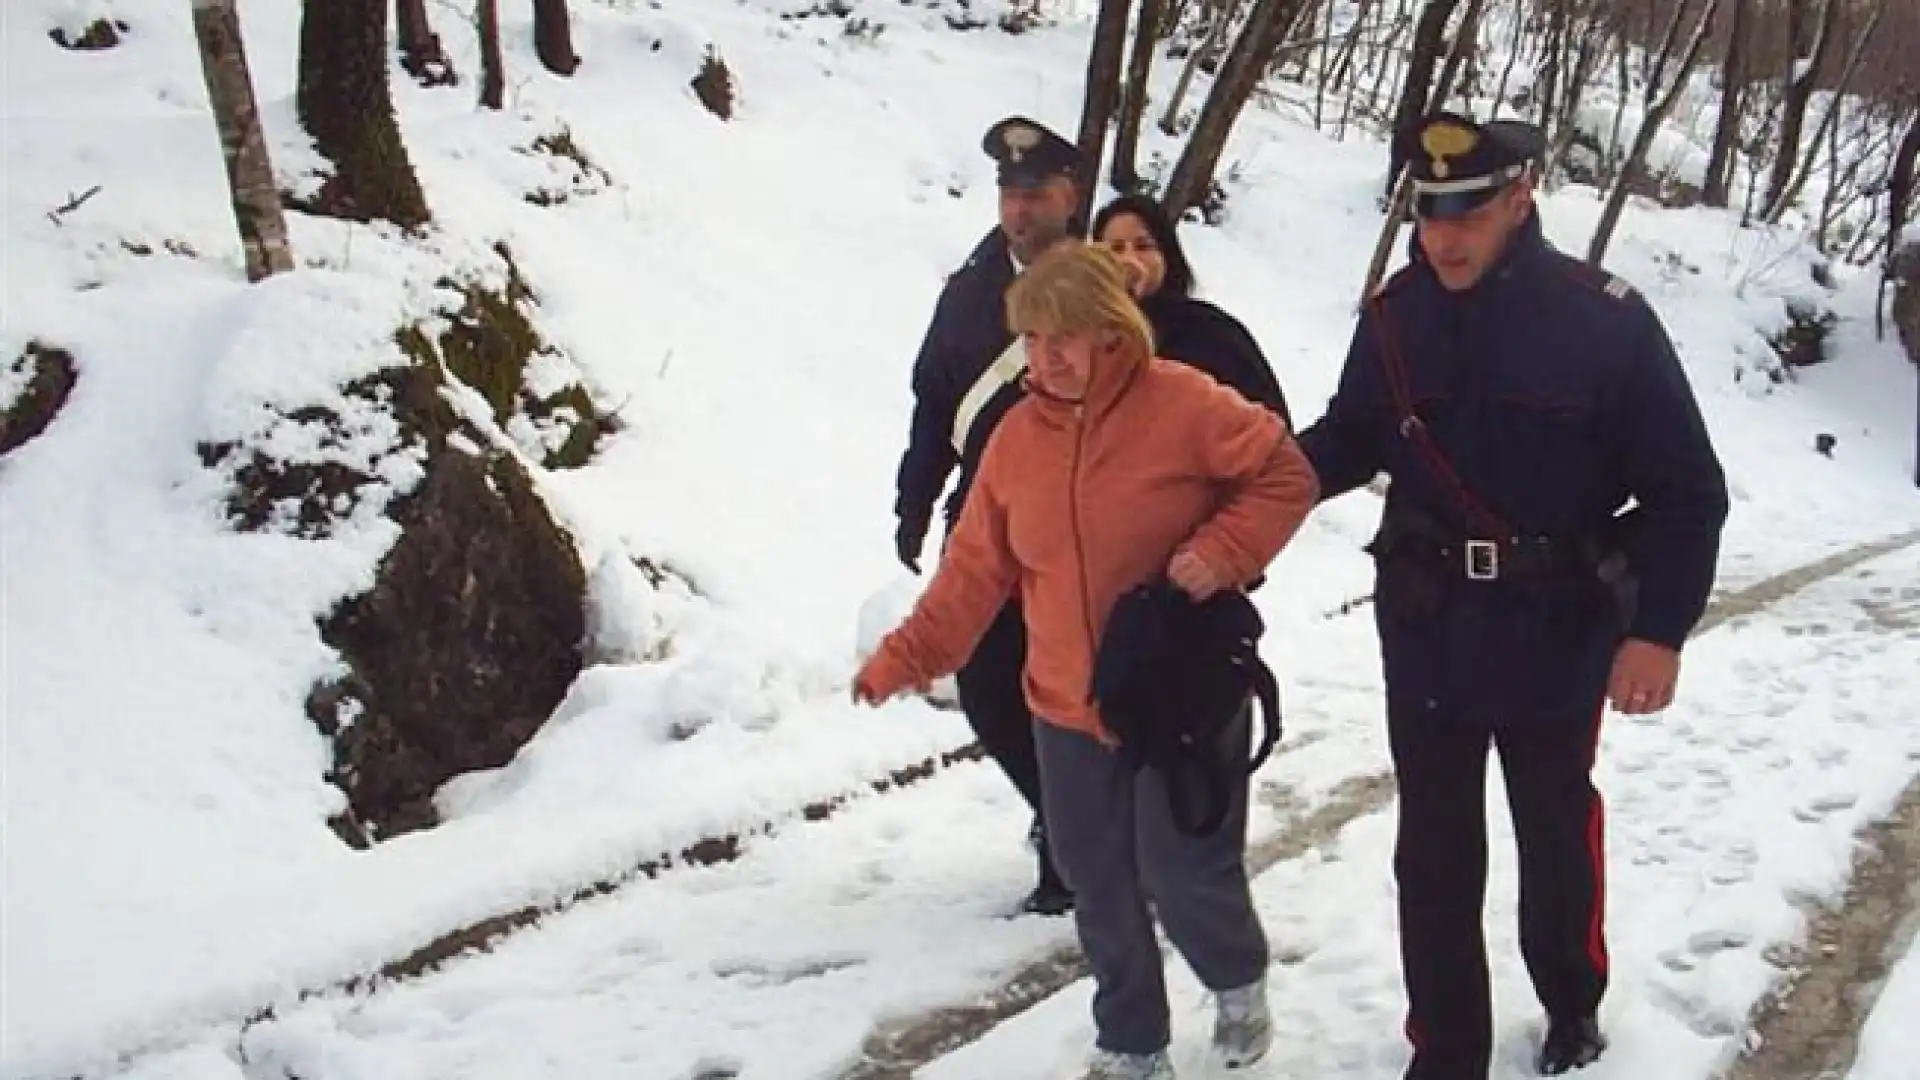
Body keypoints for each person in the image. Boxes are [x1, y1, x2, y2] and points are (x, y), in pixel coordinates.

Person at [1293, 111, 1730, 1079]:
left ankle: (1572, 1003)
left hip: (1557, 629)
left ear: (1520, 199)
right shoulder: (1396, 317)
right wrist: (1256, 481)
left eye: (1469, 213)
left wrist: (1658, 632)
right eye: (1429, 214)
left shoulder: (1603, 322)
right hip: (1429, 626)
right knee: (1435, 853)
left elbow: (1688, 492)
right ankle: (1446, 1052)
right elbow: (1351, 437)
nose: (1444, 237)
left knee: (1553, 836)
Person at [856, 243, 1321, 1080]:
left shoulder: (1182, 402)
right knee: (1096, 881)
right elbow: (973, 573)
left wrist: (1222, 551)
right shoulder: (1013, 442)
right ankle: (1132, 1043)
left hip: (1180, 691)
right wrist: (908, 655)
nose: (1047, 356)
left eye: (1065, 335)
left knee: (1181, 874)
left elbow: (1285, 474)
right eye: (1033, 339)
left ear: (1114, 331)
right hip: (1066, 704)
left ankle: (1236, 978)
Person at [891, 116, 1086, 916]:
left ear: (1070, 195)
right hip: (987, 523)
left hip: (1084, 521)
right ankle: (1067, 820)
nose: (1019, 208)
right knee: (988, 687)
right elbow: (935, 404)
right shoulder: (971, 291)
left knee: (1072, 691)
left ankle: (1087, 839)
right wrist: (913, 500)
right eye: (1010, 193)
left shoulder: (1108, 276)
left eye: (1035, 193)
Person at [1092, 193, 1293, 427]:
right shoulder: (1083, 339)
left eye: (1143, 246)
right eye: (1116, 249)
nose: (1129, 260)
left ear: (1167, 256)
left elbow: (1268, 426)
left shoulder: (1210, 333)